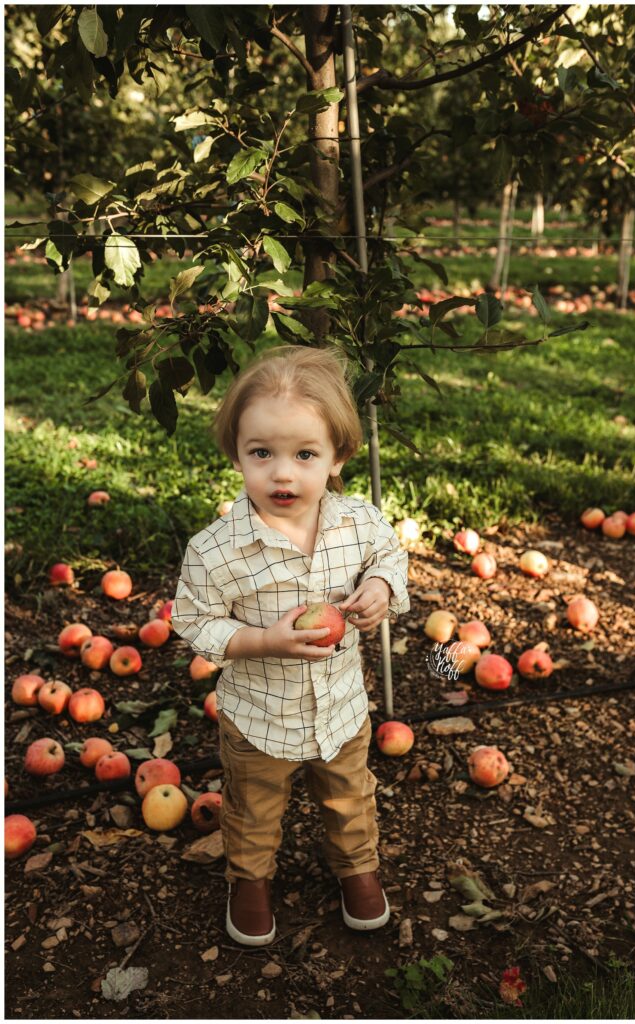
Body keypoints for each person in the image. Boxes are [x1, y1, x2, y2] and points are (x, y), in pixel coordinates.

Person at [171, 344, 411, 947]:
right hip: (259, 718)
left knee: (350, 797)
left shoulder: (358, 523)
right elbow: (194, 623)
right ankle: (249, 881)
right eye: (262, 454)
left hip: (340, 709)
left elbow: (390, 556)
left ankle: (357, 868)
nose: (282, 473)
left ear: (338, 458)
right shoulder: (215, 550)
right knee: (253, 810)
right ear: (236, 456)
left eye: (305, 454)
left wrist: (380, 586)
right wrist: (259, 639)